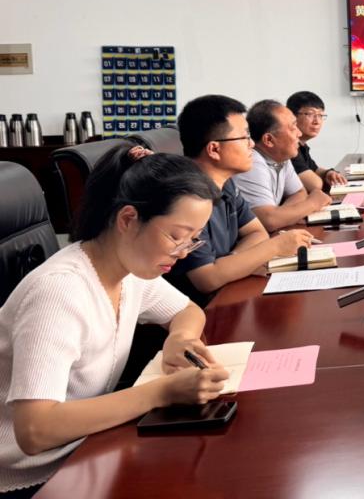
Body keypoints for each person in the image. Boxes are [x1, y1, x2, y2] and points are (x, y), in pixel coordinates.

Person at [0, 145, 229, 495]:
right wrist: (161, 392)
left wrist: (181, 339)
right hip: (31, 477)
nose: (183, 252)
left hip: (86, 448)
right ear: (127, 219)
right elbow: (35, 430)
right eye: (176, 236)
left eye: (193, 239)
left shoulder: (129, 270)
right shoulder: (59, 292)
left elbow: (187, 311)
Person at [172, 95, 313, 305]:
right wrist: (275, 247)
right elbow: (207, 278)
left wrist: (233, 264)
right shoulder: (185, 197)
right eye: (244, 137)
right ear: (214, 149)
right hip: (201, 310)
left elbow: (258, 232)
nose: (252, 144)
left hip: (228, 295)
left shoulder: (226, 183)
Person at [234, 99, 332, 233]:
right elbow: (268, 220)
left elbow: (299, 192)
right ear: (269, 140)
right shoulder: (252, 162)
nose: (299, 133)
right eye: (292, 128)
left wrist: (285, 216)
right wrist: (313, 203)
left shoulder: (281, 157)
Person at [286, 91, 345, 194]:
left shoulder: (302, 145)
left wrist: (329, 173)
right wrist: (323, 177)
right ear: (292, 116)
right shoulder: (289, 146)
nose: (317, 121)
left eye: (320, 115)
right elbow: (314, 184)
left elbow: (315, 169)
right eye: (310, 114)